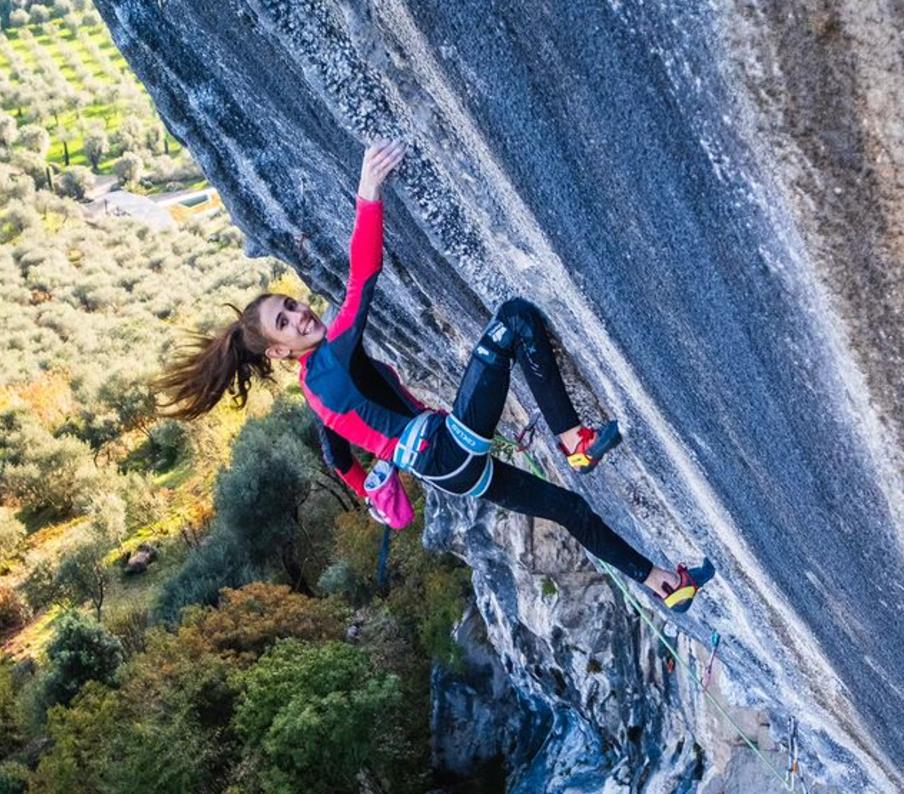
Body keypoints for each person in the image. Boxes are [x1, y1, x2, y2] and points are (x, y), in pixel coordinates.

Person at [153, 140, 706, 612]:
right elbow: (363, 278)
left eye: (292, 305)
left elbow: (336, 453)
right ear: (276, 351)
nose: (301, 315)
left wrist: (367, 488)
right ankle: (573, 439)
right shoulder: (325, 361)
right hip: (446, 449)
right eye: (285, 321)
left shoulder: (315, 393)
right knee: (513, 318)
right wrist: (368, 192)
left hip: (450, 474)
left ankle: (663, 584)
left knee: (569, 509)